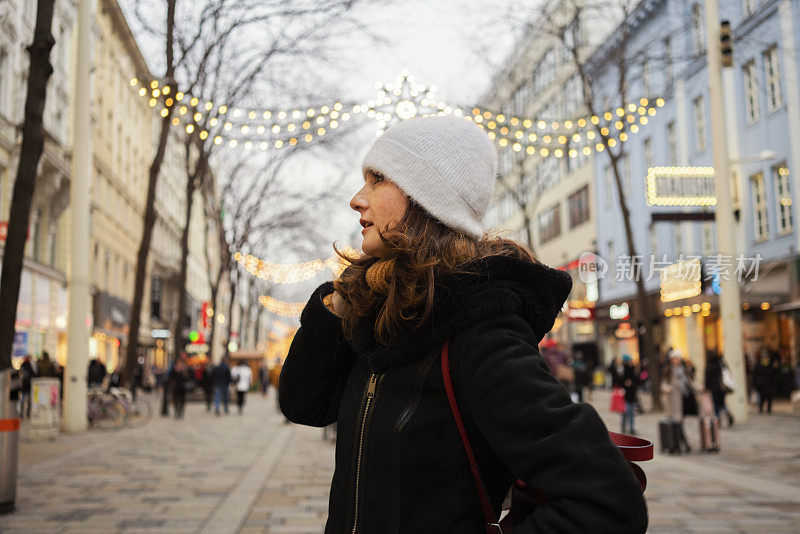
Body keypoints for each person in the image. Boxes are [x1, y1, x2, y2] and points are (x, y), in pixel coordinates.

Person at [278, 116, 647, 532]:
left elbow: (606, 499)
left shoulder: (481, 334)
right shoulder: (379, 315)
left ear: (426, 199)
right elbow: (303, 404)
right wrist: (343, 301)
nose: (357, 199)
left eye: (378, 179)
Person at [661, 361, 691, 453]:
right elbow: (663, 384)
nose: (677, 360)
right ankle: (678, 445)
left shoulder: (683, 370)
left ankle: (681, 445)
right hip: (671, 402)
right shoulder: (668, 370)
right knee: (676, 424)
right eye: (675, 358)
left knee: (679, 424)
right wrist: (666, 388)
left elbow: (689, 382)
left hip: (681, 401)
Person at [704, 350, 734, 426]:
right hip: (723, 387)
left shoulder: (710, 364)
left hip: (714, 387)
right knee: (722, 403)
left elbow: (708, 377)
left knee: (716, 404)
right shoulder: (721, 363)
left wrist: (706, 387)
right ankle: (727, 412)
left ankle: (717, 419)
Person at [621, 355, 639, 434]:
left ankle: (631, 428)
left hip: (632, 395)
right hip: (625, 396)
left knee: (631, 413)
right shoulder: (623, 371)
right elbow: (619, 381)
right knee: (626, 412)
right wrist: (625, 384)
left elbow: (637, 381)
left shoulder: (634, 370)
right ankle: (624, 427)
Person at [753, 349, 776, 414]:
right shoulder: (758, 366)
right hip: (761, 385)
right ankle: (761, 409)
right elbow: (755, 376)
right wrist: (756, 384)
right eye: (764, 357)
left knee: (769, 398)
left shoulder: (771, 366)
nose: (766, 359)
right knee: (762, 398)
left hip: (769, 385)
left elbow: (774, 376)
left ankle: (769, 409)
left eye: (767, 357)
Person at [18, 355, 37, 419]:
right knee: (29, 400)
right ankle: (28, 413)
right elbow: (34, 374)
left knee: (23, 400)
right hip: (29, 385)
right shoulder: (30, 366)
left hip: (23, 386)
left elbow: (20, 375)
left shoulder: (22, 365)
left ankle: (22, 413)